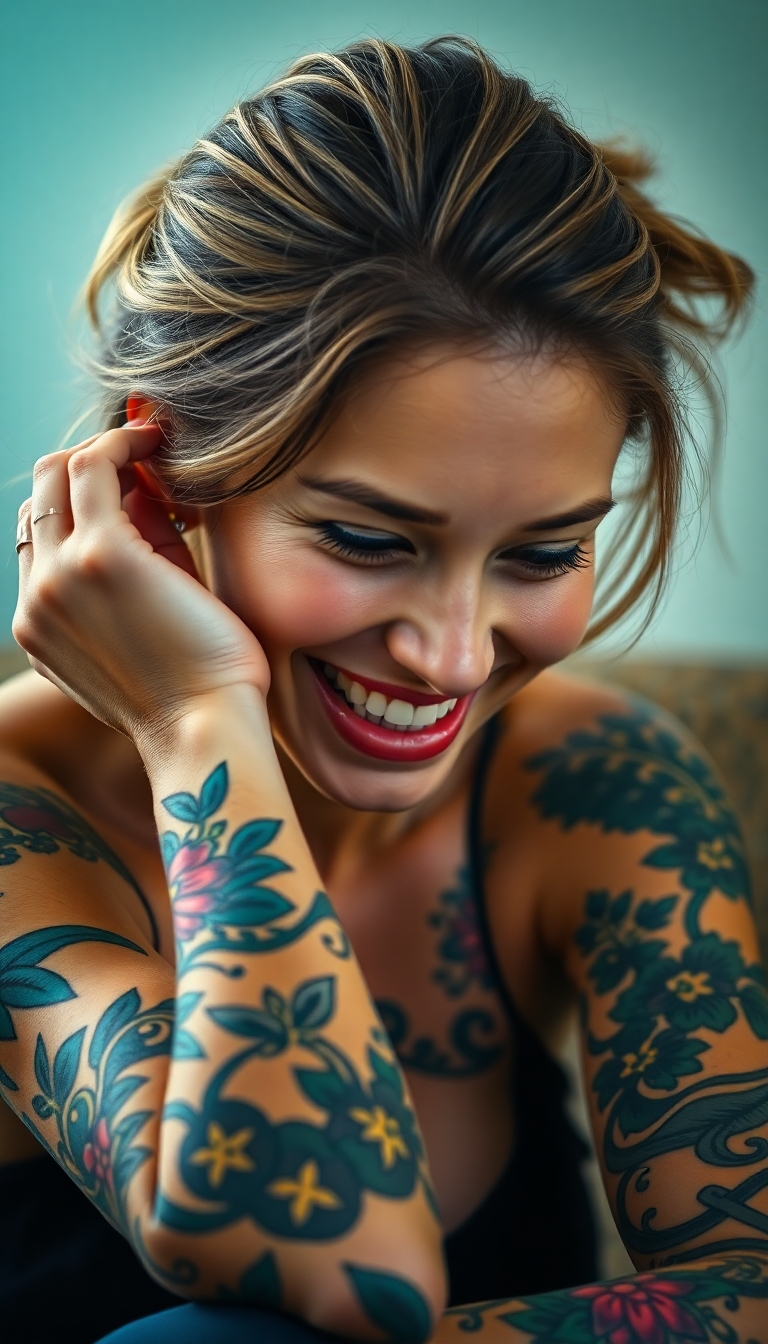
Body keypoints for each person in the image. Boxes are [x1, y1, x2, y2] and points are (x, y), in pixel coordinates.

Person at [2, 34, 766, 1344]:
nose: (458, 657)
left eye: (542, 553)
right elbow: (331, 1253)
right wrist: (196, 721)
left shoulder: (592, 783)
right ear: (153, 491)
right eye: (368, 540)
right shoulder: (20, 815)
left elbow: (751, 1286)